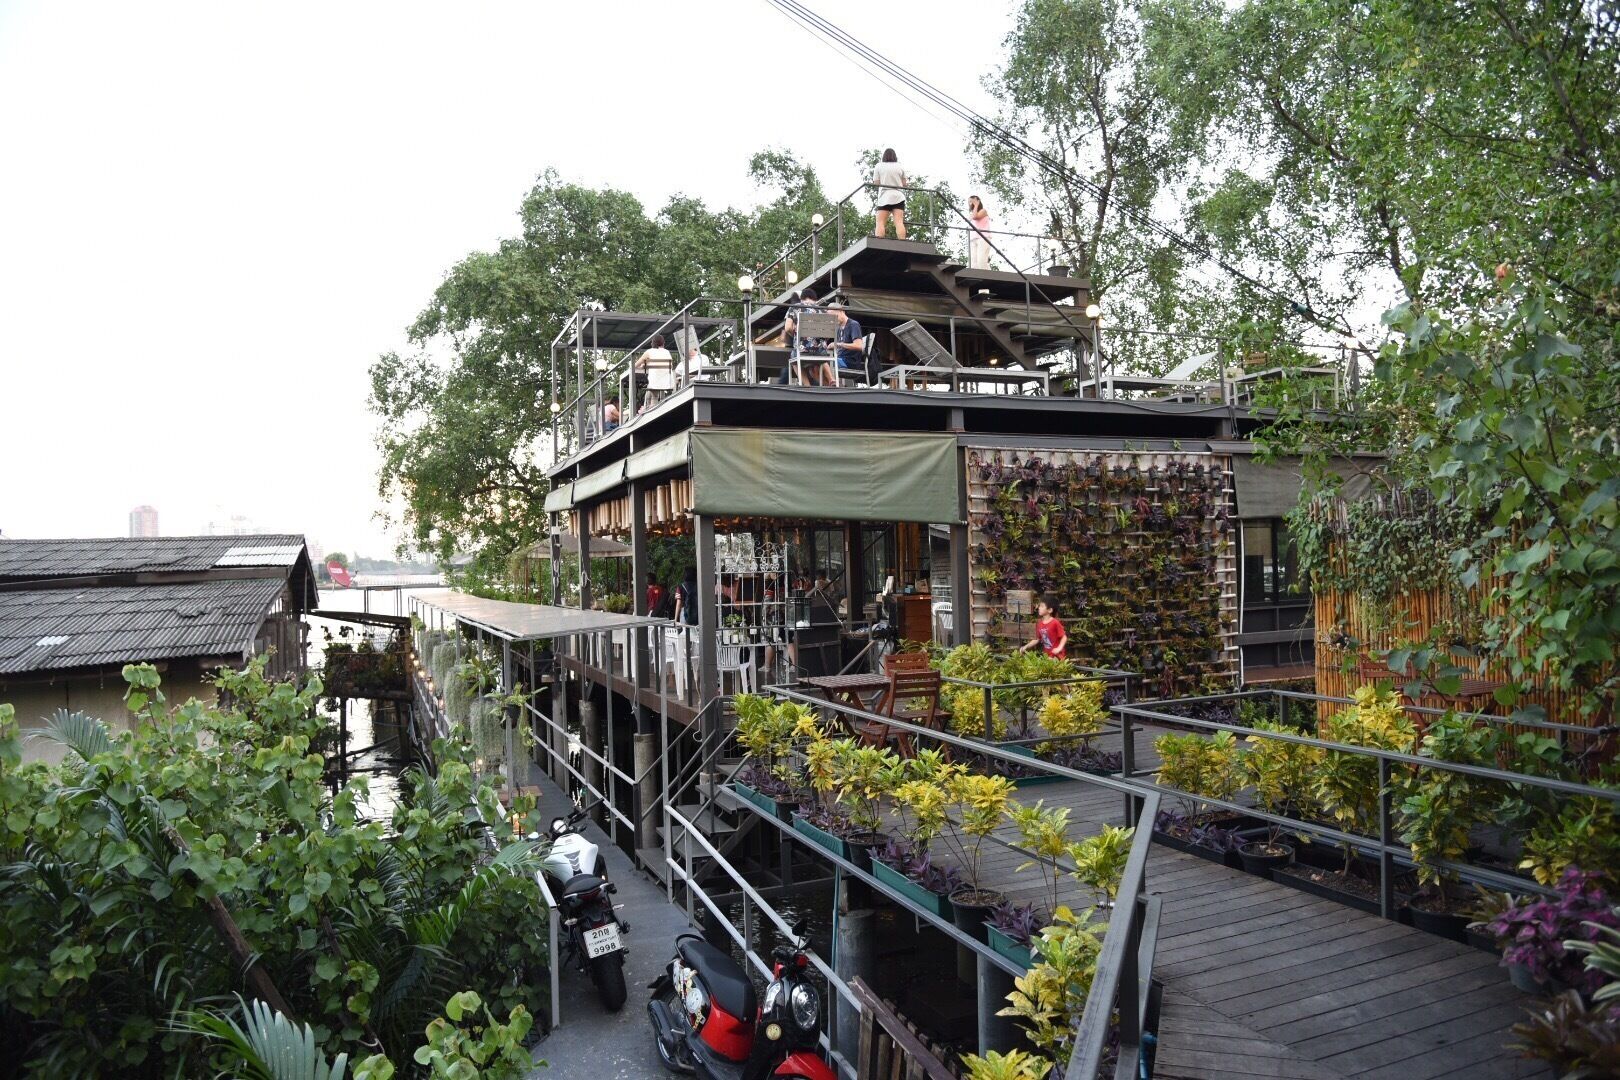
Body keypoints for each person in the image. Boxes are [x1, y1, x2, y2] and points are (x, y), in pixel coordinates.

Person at [821, 303, 865, 385]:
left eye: (835, 316)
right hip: (840, 360)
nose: (834, 320)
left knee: (821, 362)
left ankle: (832, 385)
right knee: (815, 364)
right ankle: (830, 386)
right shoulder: (838, 328)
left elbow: (859, 346)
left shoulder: (853, 324)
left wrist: (838, 344)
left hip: (849, 362)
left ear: (841, 311)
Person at [872, 149, 908, 240]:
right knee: (899, 222)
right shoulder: (900, 166)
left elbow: (876, 183)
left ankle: (879, 243)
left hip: (885, 197)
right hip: (898, 195)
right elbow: (904, 184)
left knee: (880, 222)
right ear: (895, 156)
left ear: (884, 156)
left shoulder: (879, 166)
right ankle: (902, 242)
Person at [1020, 595, 1068, 659]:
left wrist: (1059, 648)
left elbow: (1064, 637)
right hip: (1047, 656)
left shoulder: (1055, 622)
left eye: (1042, 606)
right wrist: (1026, 646)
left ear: (1050, 610)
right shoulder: (1040, 623)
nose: (1039, 608)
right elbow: (1037, 639)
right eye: (1039, 606)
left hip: (1057, 656)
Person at [634, 334, 675, 408]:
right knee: (651, 390)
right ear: (663, 343)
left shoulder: (649, 352)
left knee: (652, 392)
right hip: (668, 382)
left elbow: (635, 365)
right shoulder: (667, 352)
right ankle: (651, 407)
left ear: (653, 342)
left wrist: (644, 365)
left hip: (655, 383)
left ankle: (649, 408)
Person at [967, 195, 992, 269]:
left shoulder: (983, 211)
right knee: (973, 262)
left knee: (981, 260)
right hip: (973, 239)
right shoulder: (971, 214)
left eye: (972, 201)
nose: (970, 203)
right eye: (969, 202)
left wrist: (976, 205)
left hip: (983, 237)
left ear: (978, 202)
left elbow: (975, 217)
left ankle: (986, 277)